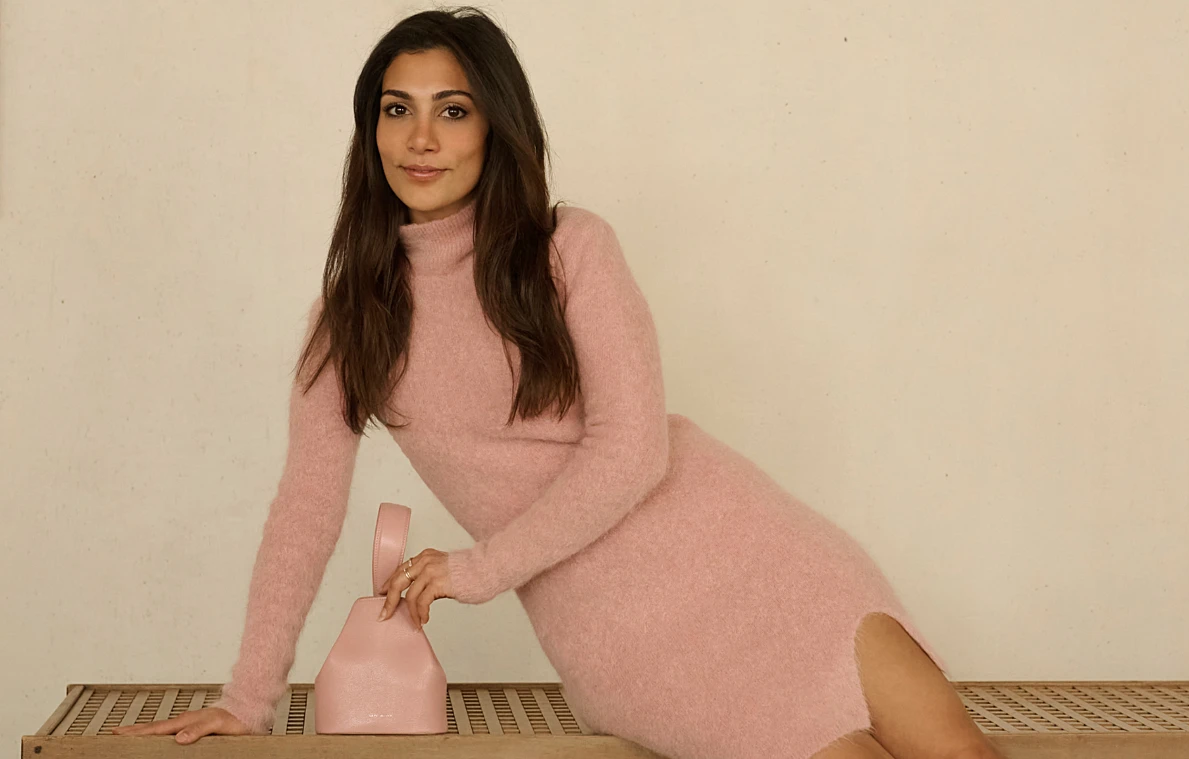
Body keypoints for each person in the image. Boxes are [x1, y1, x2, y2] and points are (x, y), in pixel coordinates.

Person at [113, 7, 1004, 759]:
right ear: (370, 129)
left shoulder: (569, 248)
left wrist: (477, 567)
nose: (421, 138)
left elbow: (635, 447)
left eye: (452, 110)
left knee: (961, 752)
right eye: (397, 109)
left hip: (754, 550)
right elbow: (305, 510)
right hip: (627, 631)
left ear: (494, 125)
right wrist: (249, 696)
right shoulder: (351, 322)